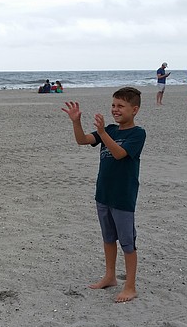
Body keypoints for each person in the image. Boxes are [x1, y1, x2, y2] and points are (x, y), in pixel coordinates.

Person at [61, 87, 146, 303]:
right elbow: (82, 140)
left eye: (121, 106)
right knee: (108, 238)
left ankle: (130, 286)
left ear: (134, 110)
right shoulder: (109, 130)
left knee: (127, 242)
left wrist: (104, 133)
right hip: (103, 194)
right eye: (113, 105)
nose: (115, 110)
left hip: (123, 197)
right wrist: (76, 122)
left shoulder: (137, 134)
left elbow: (119, 154)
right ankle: (110, 276)